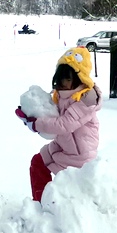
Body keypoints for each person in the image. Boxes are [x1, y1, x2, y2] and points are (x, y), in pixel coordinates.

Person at [17, 46, 101, 202]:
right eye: (60, 77)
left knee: (70, 189)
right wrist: (31, 114)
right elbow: (50, 117)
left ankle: (51, 205)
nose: (62, 82)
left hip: (79, 155)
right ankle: (41, 203)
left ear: (79, 78)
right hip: (64, 145)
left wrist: (37, 124)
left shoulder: (85, 100)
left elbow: (65, 124)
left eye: (67, 78)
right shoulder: (60, 96)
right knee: (38, 162)